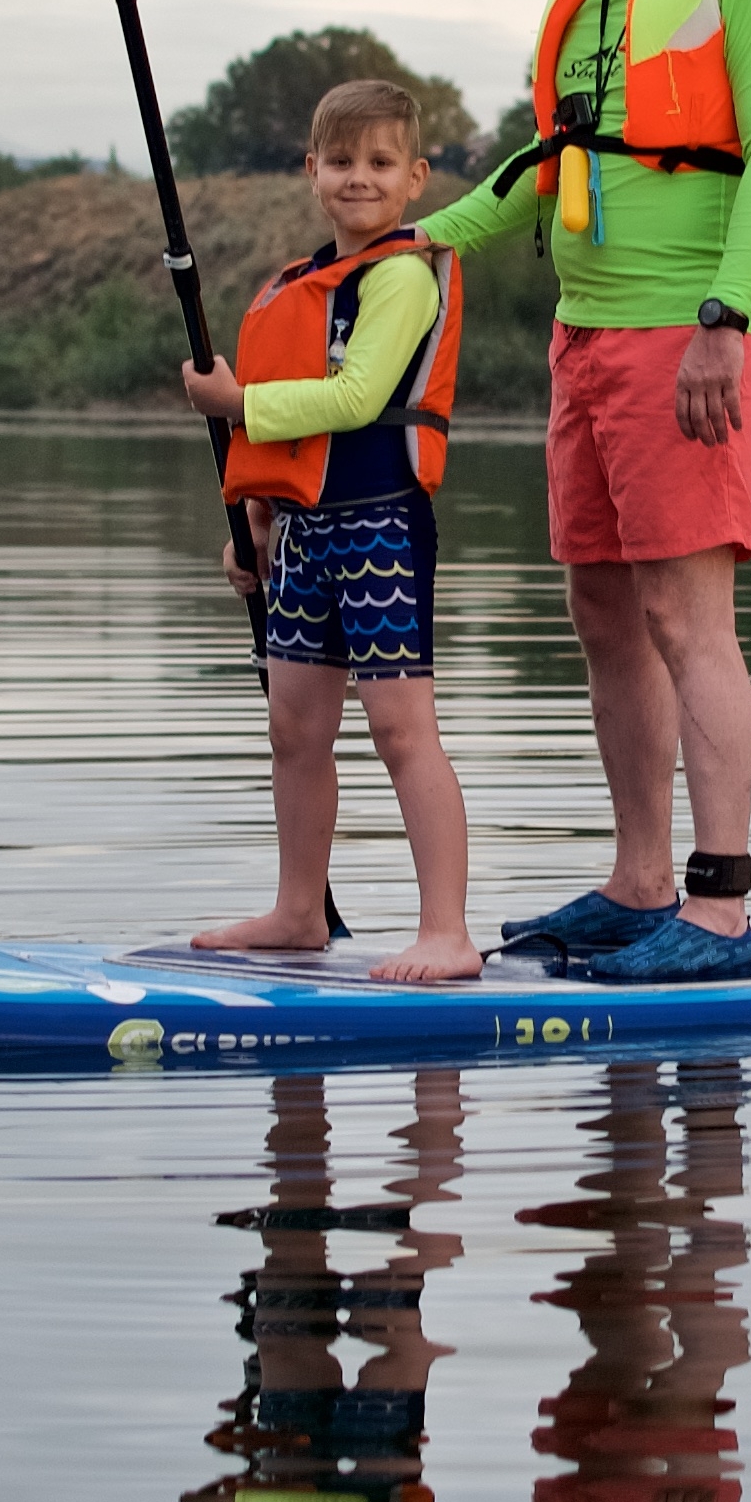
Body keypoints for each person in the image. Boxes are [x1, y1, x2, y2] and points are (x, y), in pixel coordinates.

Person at [414, 0, 751, 986]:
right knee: (603, 617)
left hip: (683, 336)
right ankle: (640, 883)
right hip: (581, 341)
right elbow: (546, 162)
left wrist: (724, 316)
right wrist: (404, 242)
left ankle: (720, 911)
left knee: (687, 620)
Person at [175, 77, 490, 984]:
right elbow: (291, 439)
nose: (360, 178)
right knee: (292, 727)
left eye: (380, 162)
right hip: (307, 533)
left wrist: (237, 401)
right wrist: (258, 526)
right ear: (312, 171)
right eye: (341, 161)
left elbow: (353, 401)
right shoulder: (301, 285)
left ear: (416, 178)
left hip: (382, 526)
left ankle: (446, 932)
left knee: (401, 730)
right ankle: (298, 911)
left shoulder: (399, 277)